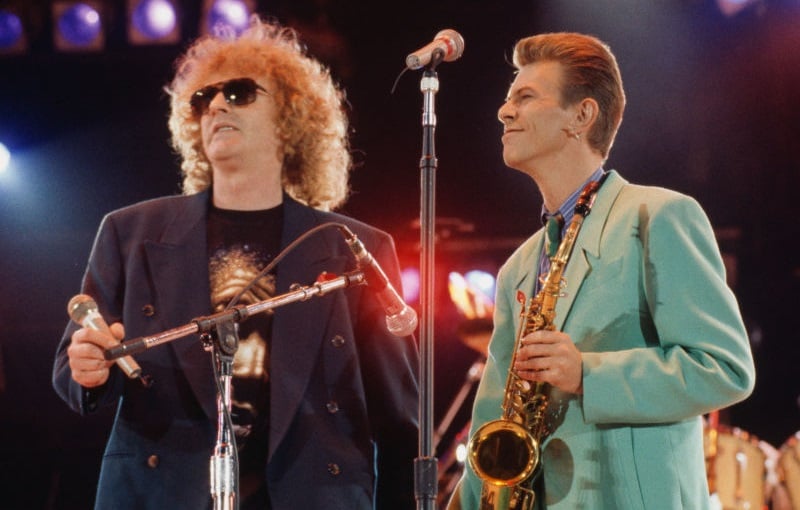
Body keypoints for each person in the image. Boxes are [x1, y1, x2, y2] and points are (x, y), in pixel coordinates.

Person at [52, 16, 419, 510]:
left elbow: (399, 419)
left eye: (239, 92)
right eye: (203, 99)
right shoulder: (129, 232)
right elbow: (72, 367)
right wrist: (87, 367)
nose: (216, 105)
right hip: (164, 494)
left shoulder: (356, 247)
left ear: (290, 118)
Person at [448, 32, 755, 509]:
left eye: (525, 97)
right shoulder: (518, 269)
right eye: (509, 99)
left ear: (582, 115)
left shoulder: (658, 216)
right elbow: (492, 417)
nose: (504, 111)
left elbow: (726, 369)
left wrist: (587, 373)